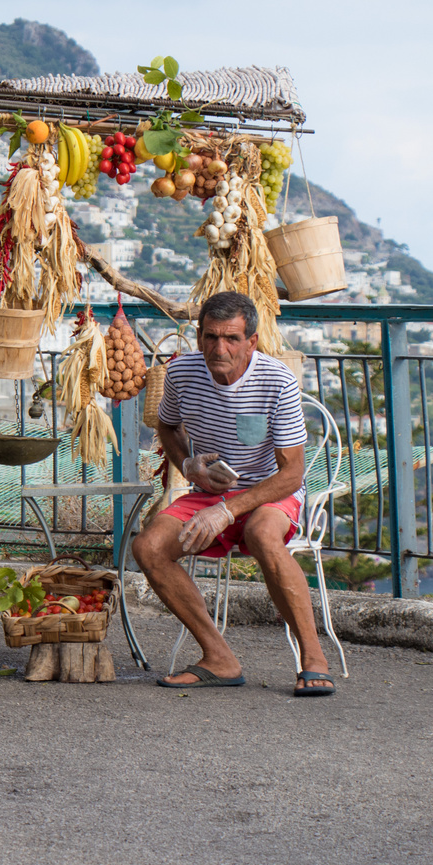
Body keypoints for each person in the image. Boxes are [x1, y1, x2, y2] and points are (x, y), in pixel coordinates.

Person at [130, 291, 335, 696]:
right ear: (200, 337)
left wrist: (227, 510)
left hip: (267, 492)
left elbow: (292, 474)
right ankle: (218, 657)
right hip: (210, 490)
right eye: (209, 337)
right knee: (148, 547)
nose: (218, 348)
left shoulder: (277, 381)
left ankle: (313, 656)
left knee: (262, 534)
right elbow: (167, 427)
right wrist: (189, 465)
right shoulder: (181, 373)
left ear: (251, 342)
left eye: (231, 338)